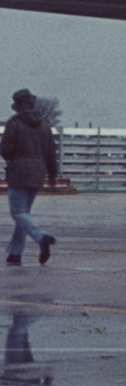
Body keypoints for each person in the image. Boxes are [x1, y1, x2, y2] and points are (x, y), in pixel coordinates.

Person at [2, 90, 57, 266]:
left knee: (17, 212)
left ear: (18, 107)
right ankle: (15, 253)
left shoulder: (14, 123)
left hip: (19, 172)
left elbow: (6, 150)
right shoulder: (45, 125)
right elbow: (51, 152)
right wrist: (52, 174)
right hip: (38, 173)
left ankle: (41, 238)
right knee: (23, 214)